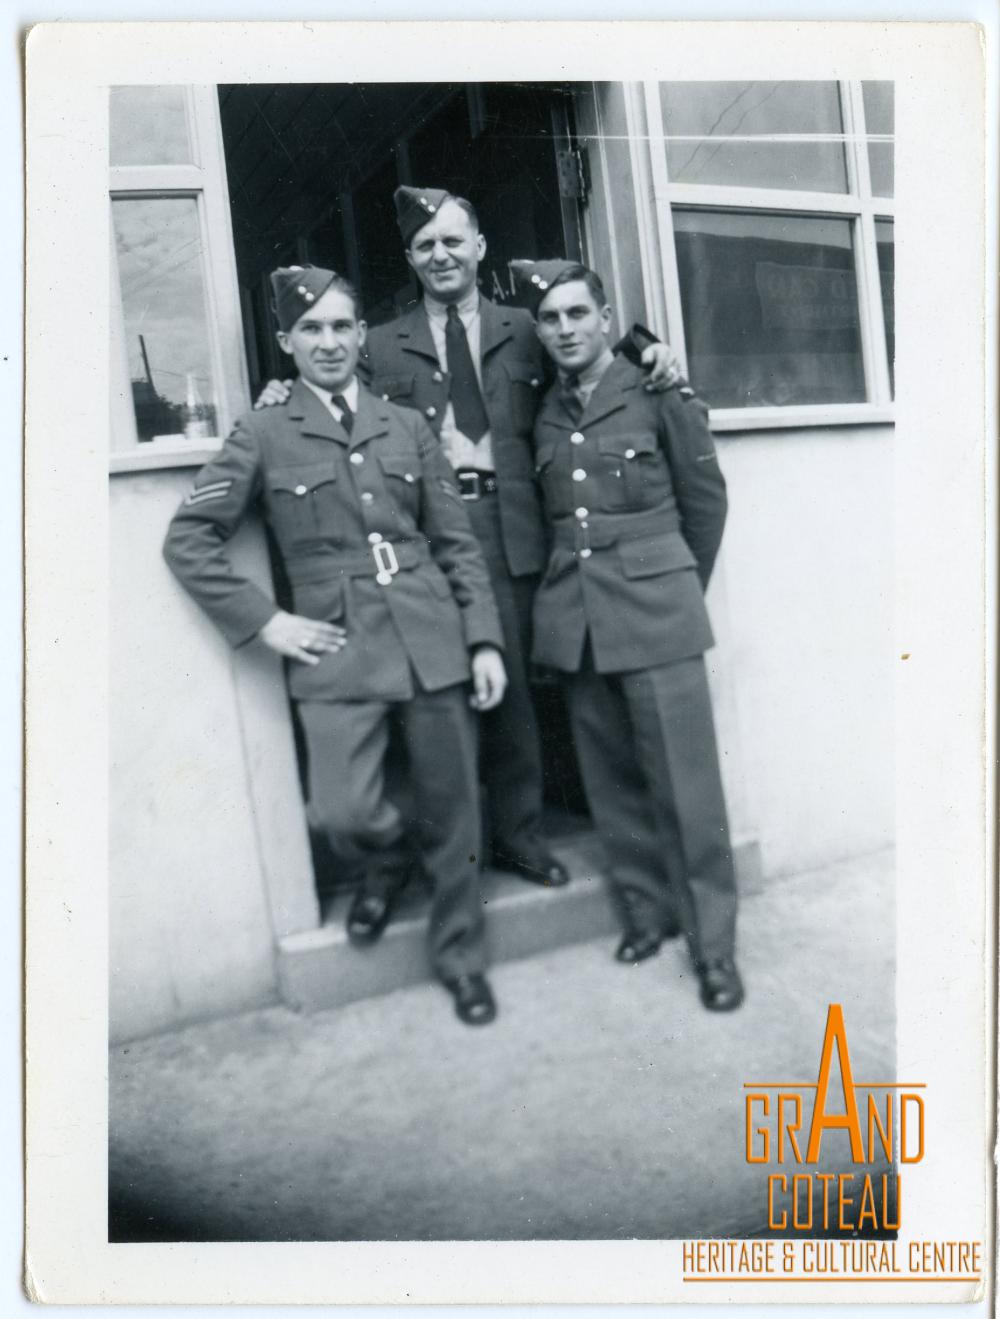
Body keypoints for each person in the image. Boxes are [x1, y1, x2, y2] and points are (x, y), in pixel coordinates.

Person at [255, 184, 685, 900]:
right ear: (410, 259)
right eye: (426, 245)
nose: (441, 254)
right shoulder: (380, 340)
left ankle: (518, 836)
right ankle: (453, 850)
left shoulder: (529, 325)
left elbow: (592, 358)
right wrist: (275, 392)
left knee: (508, 690)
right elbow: (325, 389)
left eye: (454, 239)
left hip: (512, 531)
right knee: (434, 697)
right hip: (424, 540)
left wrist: (650, 347)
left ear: (480, 247)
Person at [163, 265, 508, 1026]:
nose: (328, 342)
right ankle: (385, 861)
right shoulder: (262, 430)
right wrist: (266, 622)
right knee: (342, 810)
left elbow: (456, 544)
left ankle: (461, 956)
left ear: (362, 336)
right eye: (311, 329)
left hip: (429, 634)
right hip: (335, 641)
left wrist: (483, 639)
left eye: (342, 326)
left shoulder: (407, 425)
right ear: (286, 342)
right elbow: (189, 538)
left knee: (457, 809)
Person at [510, 257, 743, 1012]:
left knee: (689, 791)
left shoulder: (655, 388)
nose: (565, 329)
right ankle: (648, 914)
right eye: (551, 319)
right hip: (578, 624)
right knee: (610, 784)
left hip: (656, 615)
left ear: (606, 318)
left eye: (578, 314)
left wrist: (671, 584)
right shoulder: (546, 411)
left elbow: (705, 502)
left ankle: (714, 949)